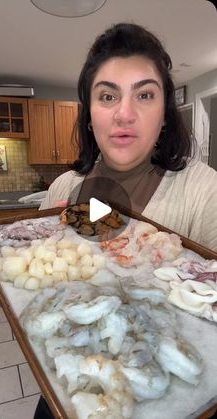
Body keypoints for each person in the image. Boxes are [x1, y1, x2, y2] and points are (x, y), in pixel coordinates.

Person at [35, 22, 217, 418]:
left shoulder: (204, 191)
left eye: (145, 95)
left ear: (165, 114)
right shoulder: (62, 191)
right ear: (88, 115)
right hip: (72, 381)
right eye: (107, 96)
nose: (125, 113)